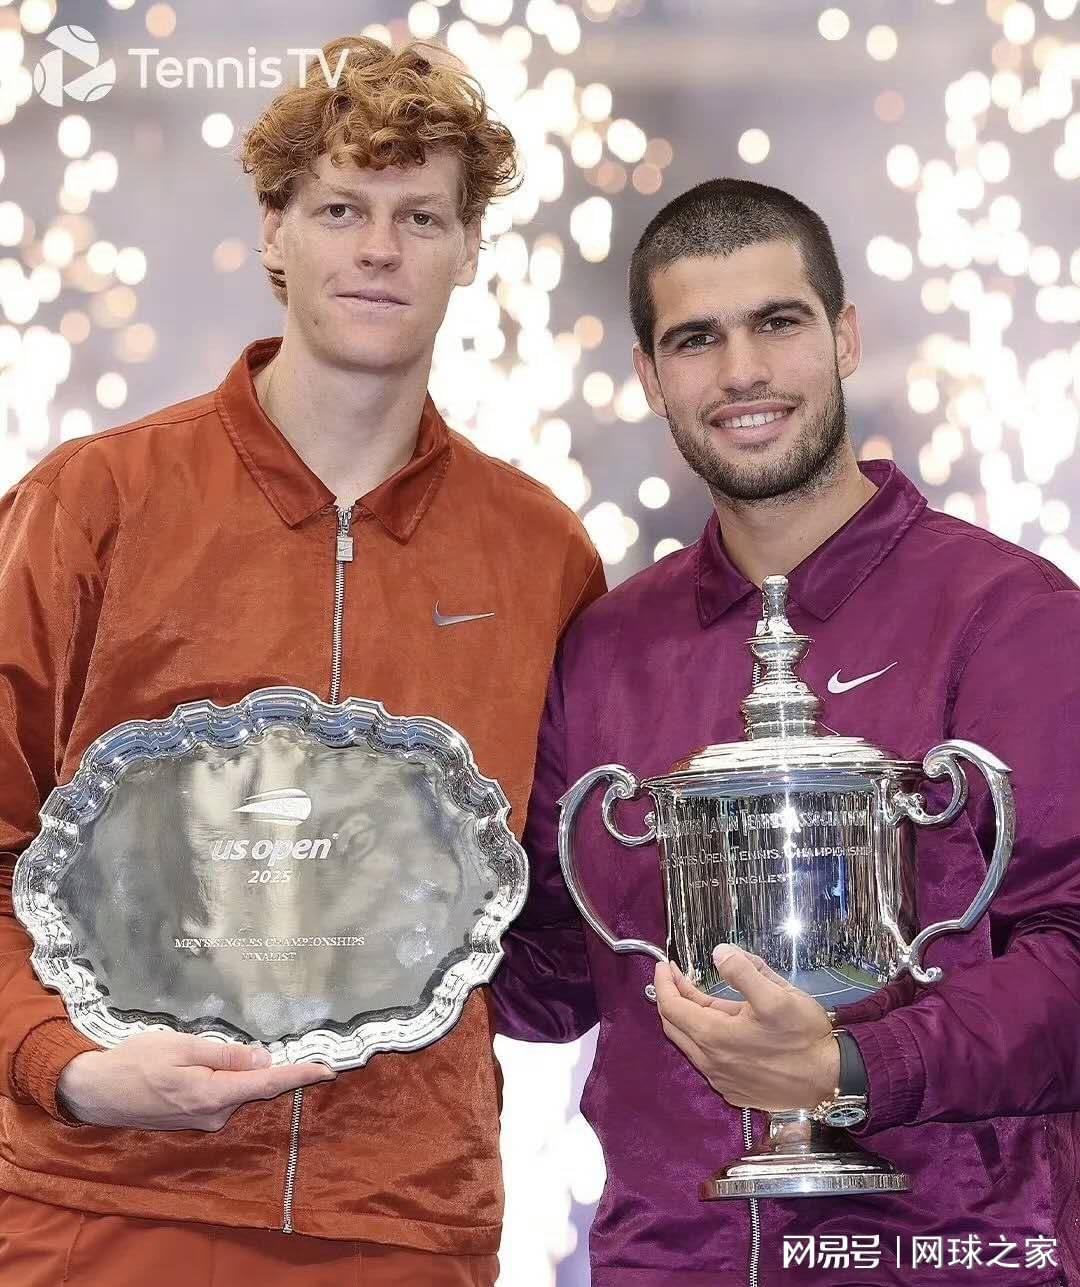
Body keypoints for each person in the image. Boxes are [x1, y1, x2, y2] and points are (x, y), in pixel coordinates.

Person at [0, 36, 603, 1287]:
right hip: (105, 1195)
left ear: (469, 248)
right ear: (274, 231)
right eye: (341, 209)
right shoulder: (94, 504)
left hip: (402, 1216)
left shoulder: (540, 551)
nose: (380, 248)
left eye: (420, 215)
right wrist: (66, 1065)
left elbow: (553, 906)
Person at [493, 178, 1080, 1286]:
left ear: (844, 337)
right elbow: (555, 978)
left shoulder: (1010, 615)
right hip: (672, 1261)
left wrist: (851, 1065)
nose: (742, 372)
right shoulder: (608, 646)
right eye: (696, 339)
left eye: (778, 323)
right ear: (650, 377)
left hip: (947, 1258)